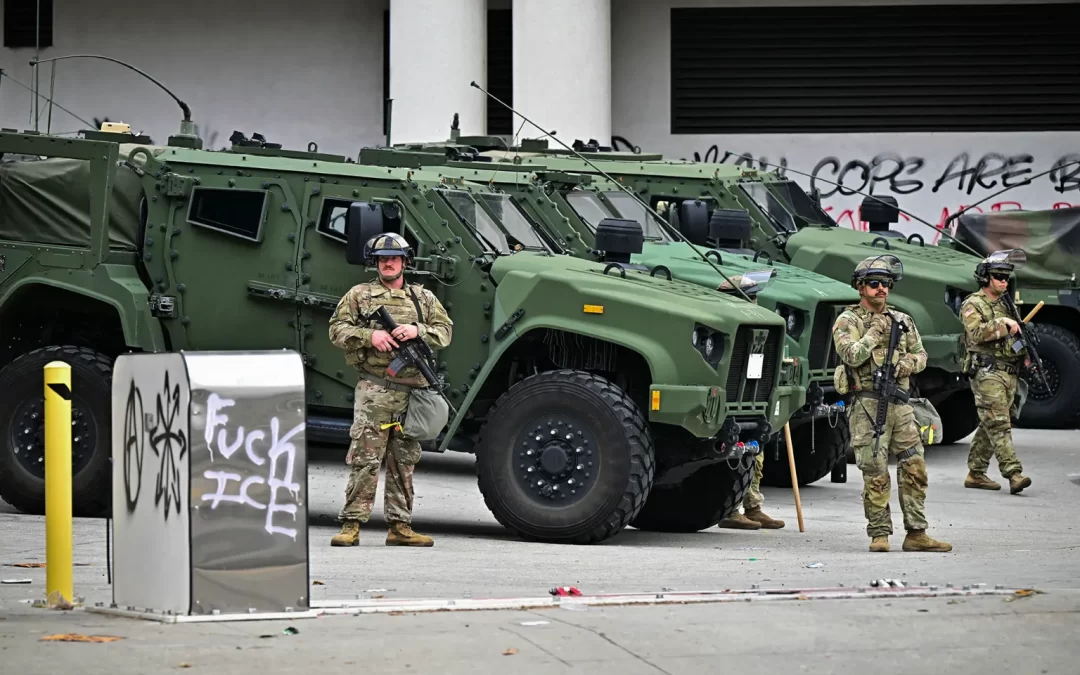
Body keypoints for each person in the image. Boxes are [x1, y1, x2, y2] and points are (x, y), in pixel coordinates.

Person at [327, 232, 453, 547]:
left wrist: (417, 330)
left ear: (404, 262)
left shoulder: (422, 299)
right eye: (383, 259)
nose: (389, 263)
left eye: (394, 259)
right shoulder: (359, 294)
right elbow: (336, 329)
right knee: (366, 458)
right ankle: (351, 524)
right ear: (376, 262)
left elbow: (445, 331)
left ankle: (400, 527)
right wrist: (371, 337)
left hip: (413, 393)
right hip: (376, 390)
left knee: (404, 459)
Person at [831, 255, 952, 553]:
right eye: (874, 284)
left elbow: (923, 355)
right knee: (875, 471)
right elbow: (851, 355)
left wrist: (908, 363)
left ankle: (917, 533)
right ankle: (880, 534)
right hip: (868, 405)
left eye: (886, 283)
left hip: (901, 405)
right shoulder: (849, 321)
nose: (881, 289)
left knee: (914, 466)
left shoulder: (903, 320)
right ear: (860, 287)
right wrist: (874, 333)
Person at [713, 271, 785, 531]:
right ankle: (729, 509)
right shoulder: (721, 323)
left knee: (756, 453)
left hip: (753, 398)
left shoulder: (758, 326)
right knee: (731, 456)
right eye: (748, 298)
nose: (753, 304)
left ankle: (752, 505)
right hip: (727, 401)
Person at [960, 249, 1032, 494]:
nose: (1003, 281)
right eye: (998, 276)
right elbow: (977, 333)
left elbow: (1017, 336)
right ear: (985, 278)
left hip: (1009, 372)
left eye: (1006, 277)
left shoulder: (1006, 305)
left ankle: (976, 473)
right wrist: (1004, 324)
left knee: (990, 422)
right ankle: (1014, 473)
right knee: (999, 423)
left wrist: (1026, 353)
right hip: (987, 372)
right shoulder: (973, 304)